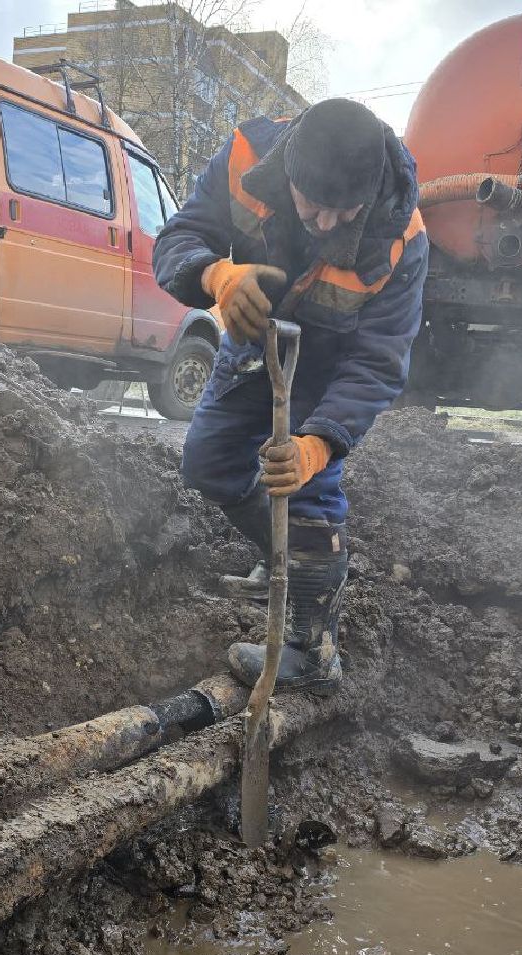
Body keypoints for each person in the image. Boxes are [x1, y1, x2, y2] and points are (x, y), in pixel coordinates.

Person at [153, 98, 428, 696]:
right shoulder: (247, 156)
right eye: (311, 206)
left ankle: (313, 646)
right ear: (290, 175)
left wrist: (318, 443)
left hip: (328, 369)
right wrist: (215, 277)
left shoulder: (399, 235)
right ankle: (288, 561)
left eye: (342, 211)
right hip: (255, 340)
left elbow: (379, 361)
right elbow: (179, 236)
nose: (325, 224)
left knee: (307, 490)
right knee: (208, 464)